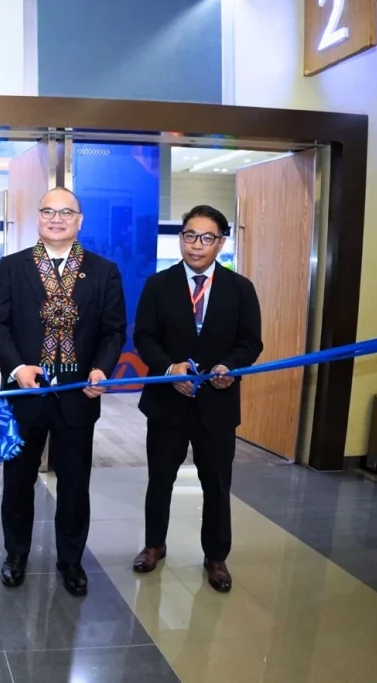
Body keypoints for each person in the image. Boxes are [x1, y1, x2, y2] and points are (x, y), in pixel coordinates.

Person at [0, 187, 126, 597]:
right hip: (24, 394)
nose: (57, 218)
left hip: (76, 395)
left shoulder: (103, 271)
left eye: (67, 212)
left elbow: (114, 330)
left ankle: (71, 560)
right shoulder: (12, 268)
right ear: (38, 217)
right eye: (49, 211)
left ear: (80, 220)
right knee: (17, 482)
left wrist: (102, 367)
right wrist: (16, 368)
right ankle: (16, 554)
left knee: (75, 484)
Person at [132, 205, 262, 593]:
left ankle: (216, 557)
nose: (197, 245)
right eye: (190, 235)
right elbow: (144, 338)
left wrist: (229, 367)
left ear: (221, 242)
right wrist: (169, 369)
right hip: (167, 405)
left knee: (217, 485)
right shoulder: (159, 285)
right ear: (181, 238)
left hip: (217, 408)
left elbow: (250, 342)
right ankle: (154, 545)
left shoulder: (240, 289)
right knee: (160, 481)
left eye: (207, 237)